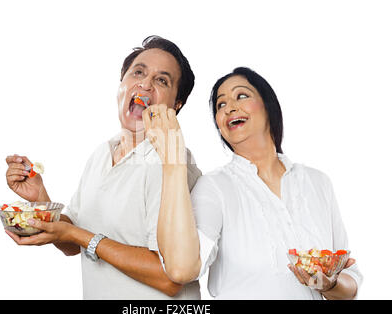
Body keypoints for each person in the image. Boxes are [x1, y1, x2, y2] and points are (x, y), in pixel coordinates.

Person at [4, 36, 202, 299]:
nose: (145, 84)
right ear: (121, 85)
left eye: (162, 80)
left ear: (176, 106)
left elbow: (170, 278)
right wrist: (41, 199)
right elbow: (71, 243)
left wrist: (79, 235)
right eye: (138, 72)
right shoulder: (103, 152)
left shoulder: (175, 165)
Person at [144, 67, 363, 299]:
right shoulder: (214, 187)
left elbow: (350, 281)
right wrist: (172, 157)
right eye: (220, 105)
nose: (229, 107)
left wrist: (330, 285)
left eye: (241, 96)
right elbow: (182, 268)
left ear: (268, 106)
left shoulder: (318, 182)